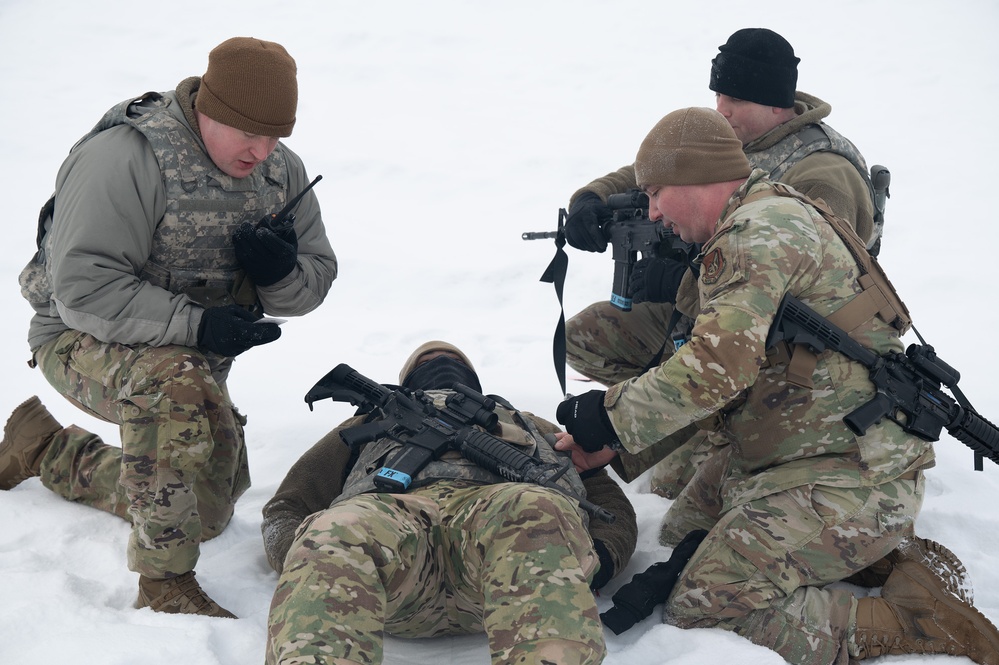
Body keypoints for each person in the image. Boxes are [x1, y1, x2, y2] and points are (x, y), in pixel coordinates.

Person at [553, 107, 999, 663]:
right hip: (799, 449)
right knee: (678, 537)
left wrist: (610, 418)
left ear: (694, 176)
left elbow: (716, 368)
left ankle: (908, 620)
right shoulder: (761, 215)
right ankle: (879, 554)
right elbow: (734, 374)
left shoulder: (758, 234)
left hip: (851, 471)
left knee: (704, 601)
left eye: (655, 193)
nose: (652, 211)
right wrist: (616, 443)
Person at [0, 37, 337, 618]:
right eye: (249, 132)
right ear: (211, 108)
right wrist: (198, 327)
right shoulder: (128, 157)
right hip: (79, 337)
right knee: (173, 389)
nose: (263, 151)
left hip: (184, 353)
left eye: (277, 135)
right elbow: (83, 288)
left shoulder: (280, 172)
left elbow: (316, 280)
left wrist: (279, 273)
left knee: (203, 510)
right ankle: (165, 587)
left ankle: (44, 449)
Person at [562, 28, 880, 504]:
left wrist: (685, 270)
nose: (721, 109)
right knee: (584, 336)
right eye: (718, 95)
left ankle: (701, 421)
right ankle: (676, 409)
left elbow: (789, 291)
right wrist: (592, 198)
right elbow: (655, 168)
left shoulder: (822, 172)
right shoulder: (738, 140)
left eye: (734, 99)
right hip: (712, 322)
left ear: (776, 103)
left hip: (790, 356)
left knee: (671, 489)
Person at [262, 340, 637, 665]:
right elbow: (289, 506)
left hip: (505, 560)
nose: (441, 366)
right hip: (391, 556)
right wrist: (311, 559)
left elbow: (603, 500)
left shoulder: (524, 421)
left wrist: (598, 559)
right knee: (335, 526)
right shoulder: (373, 419)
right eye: (425, 363)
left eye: (454, 361)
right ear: (407, 380)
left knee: (537, 507)